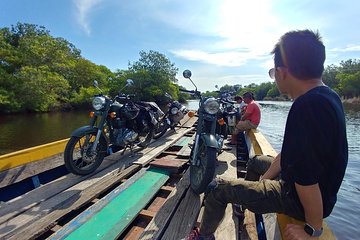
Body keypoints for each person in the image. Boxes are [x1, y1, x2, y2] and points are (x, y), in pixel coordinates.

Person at [186, 29, 348, 240]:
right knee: (254, 162)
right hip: (310, 191)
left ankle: (203, 236)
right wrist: (261, 183)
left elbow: (307, 179)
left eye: (273, 73)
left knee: (217, 188)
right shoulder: (327, 96)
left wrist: (313, 229)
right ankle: (243, 204)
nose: (275, 78)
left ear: (282, 72)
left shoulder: (307, 106)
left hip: (298, 198)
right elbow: (291, 155)